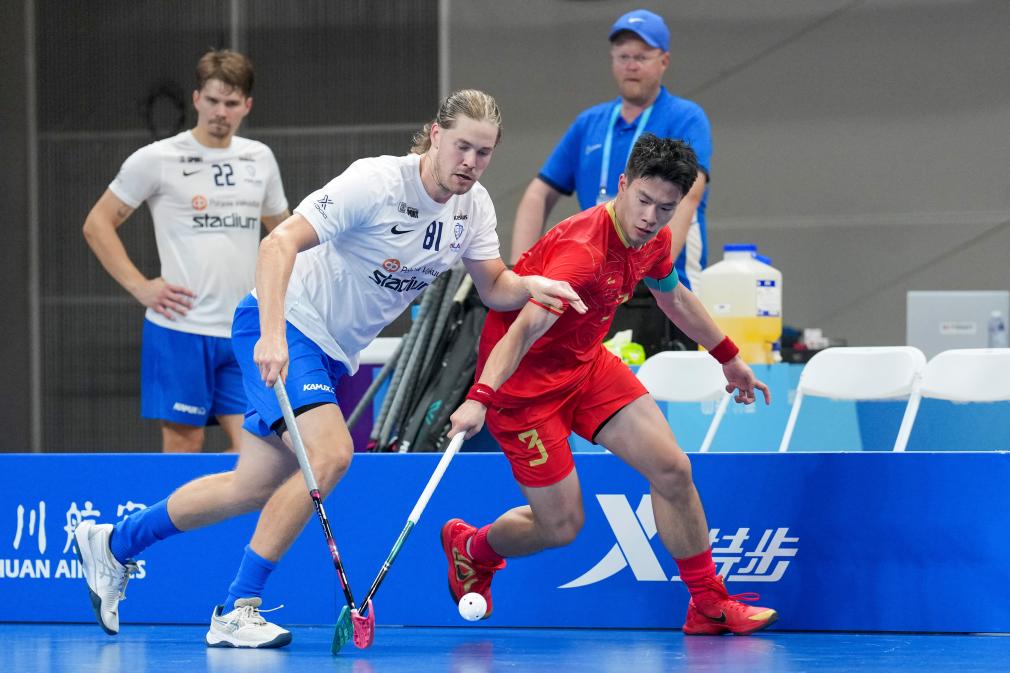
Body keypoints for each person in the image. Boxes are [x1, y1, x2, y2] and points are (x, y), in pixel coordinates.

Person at [73, 89, 585, 648]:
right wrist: (272, 334)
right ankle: (237, 608)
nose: (470, 162)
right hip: (285, 325)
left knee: (250, 485)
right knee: (332, 455)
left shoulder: (473, 208)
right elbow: (278, 243)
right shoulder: (376, 183)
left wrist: (531, 285)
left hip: (332, 352)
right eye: (462, 146)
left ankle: (113, 544)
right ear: (435, 135)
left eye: (483, 153)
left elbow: (494, 286)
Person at [442, 134, 777, 636]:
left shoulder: (652, 240)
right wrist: (479, 399)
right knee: (561, 527)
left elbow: (673, 298)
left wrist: (729, 358)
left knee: (672, 469)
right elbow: (523, 330)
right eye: (643, 200)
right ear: (622, 184)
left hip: (585, 367)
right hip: (524, 390)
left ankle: (709, 603)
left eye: (665, 208)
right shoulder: (582, 254)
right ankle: (473, 548)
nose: (650, 217)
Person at [83, 49, 290, 453]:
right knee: (184, 445)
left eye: (231, 103)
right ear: (196, 99)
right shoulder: (158, 158)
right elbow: (97, 224)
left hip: (241, 328)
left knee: (257, 448)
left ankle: (220, 497)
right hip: (179, 328)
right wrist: (140, 287)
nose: (220, 112)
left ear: (246, 106)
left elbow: (284, 236)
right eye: (212, 100)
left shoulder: (259, 159)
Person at [510, 8, 711, 350]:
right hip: (597, 287)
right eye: (623, 57)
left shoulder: (685, 117)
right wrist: (521, 277)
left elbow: (690, 196)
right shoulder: (590, 123)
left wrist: (647, 270)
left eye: (641, 57)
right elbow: (537, 193)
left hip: (661, 291)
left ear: (663, 60)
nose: (631, 65)